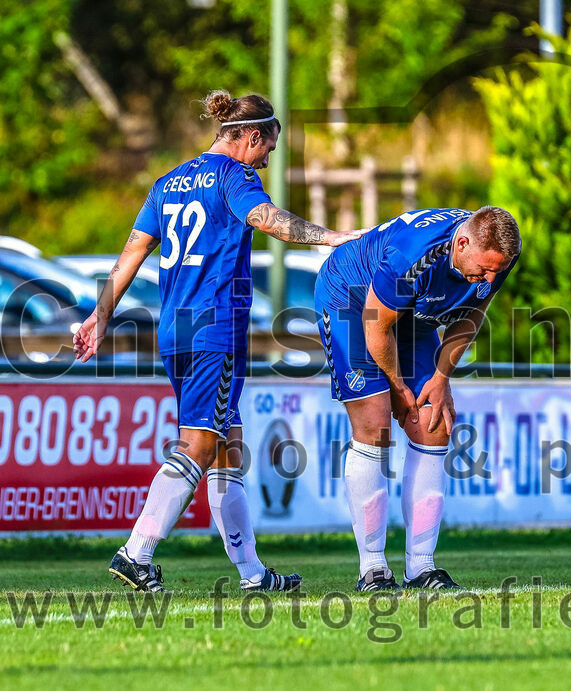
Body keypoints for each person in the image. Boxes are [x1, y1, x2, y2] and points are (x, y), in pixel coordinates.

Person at [74, 90, 367, 592]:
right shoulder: (235, 177)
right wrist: (331, 237)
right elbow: (267, 218)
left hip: (175, 328)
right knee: (201, 444)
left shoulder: (168, 182)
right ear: (251, 136)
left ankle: (253, 573)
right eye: (267, 149)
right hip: (215, 329)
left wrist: (100, 316)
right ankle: (136, 552)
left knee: (227, 447)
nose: (266, 161)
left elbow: (132, 252)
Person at [315, 206, 520, 590]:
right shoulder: (414, 255)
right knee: (375, 424)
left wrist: (442, 378)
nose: (490, 279)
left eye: (498, 271)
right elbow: (377, 325)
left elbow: (472, 313)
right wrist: (398, 387)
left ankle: (421, 567)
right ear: (462, 244)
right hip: (353, 299)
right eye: (484, 270)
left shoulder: (496, 257)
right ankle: (372, 568)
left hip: (411, 310)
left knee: (434, 424)